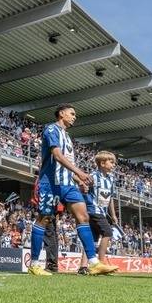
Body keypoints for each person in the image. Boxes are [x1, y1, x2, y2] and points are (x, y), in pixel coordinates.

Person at [29, 104, 101, 276]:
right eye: (72, 114)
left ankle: (93, 262)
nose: (74, 117)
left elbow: (66, 165)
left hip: (68, 184)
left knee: (83, 216)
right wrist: (81, 173)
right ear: (61, 114)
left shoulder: (68, 137)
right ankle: (34, 264)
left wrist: (77, 179)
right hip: (50, 183)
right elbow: (57, 156)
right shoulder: (51, 129)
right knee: (44, 219)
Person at [78, 151, 121, 275]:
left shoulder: (111, 179)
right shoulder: (93, 176)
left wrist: (113, 215)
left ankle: (83, 267)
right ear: (102, 163)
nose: (114, 165)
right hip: (92, 210)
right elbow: (83, 189)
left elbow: (111, 198)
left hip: (102, 212)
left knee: (91, 239)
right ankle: (101, 263)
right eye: (111, 162)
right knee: (108, 232)